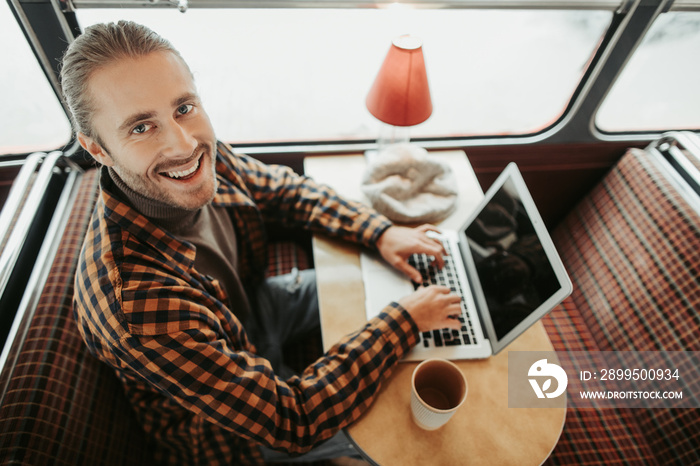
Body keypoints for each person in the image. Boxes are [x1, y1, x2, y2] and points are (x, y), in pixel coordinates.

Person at [64, 20, 462, 465]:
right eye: (141, 128)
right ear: (97, 149)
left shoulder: (198, 151)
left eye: (183, 107)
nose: (183, 143)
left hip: (251, 310)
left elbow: (282, 190)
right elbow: (294, 420)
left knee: (375, 278)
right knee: (403, 446)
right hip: (223, 432)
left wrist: (380, 232)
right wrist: (402, 322)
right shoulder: (135, 305)